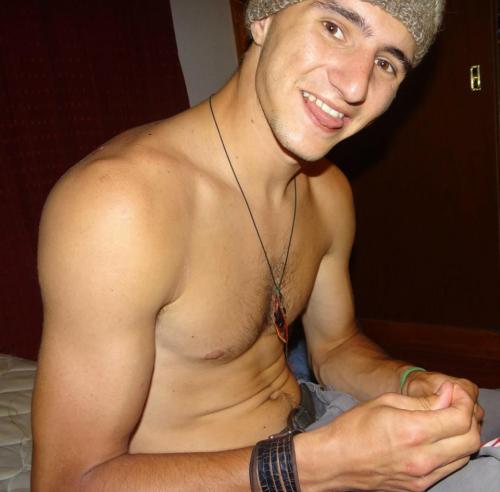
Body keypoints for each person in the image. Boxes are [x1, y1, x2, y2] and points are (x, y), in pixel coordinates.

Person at [32, 0, 500, 490]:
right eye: (334, 28)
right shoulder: (121, 205)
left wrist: (409, 380)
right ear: (263, 19)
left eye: (385, 63)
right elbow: (66, 482)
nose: (355, 86)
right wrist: (325, 463)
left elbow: (335, 348)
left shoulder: (327, 191)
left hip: (317, 422)